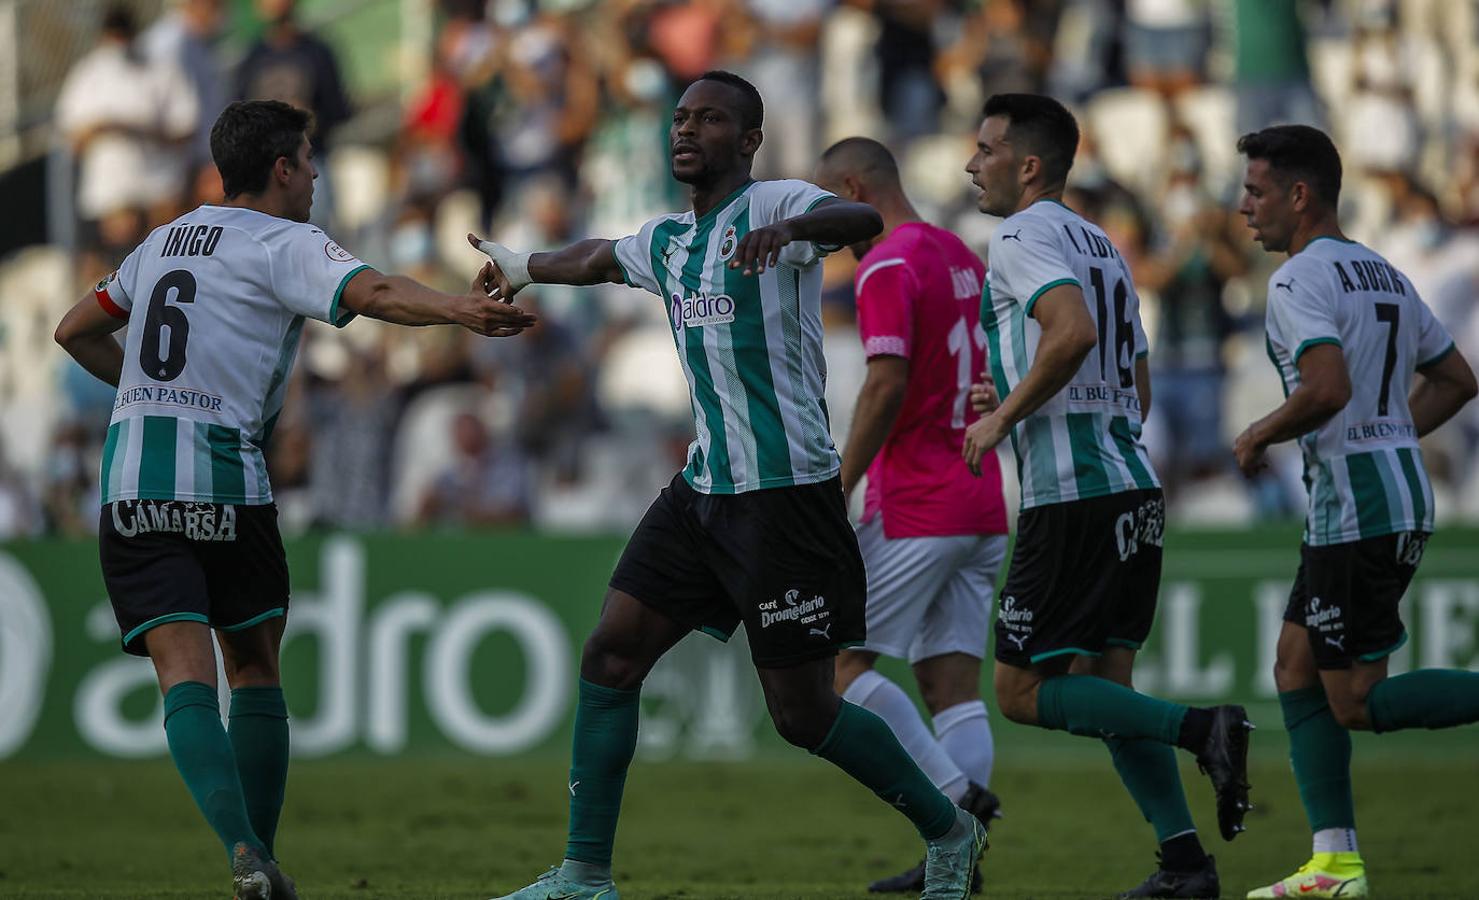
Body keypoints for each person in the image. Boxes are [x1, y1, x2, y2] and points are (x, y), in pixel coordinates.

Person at [470, 70, 986, 900]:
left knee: (803, 714)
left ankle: (950, 828)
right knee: (609, 656)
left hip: (785, 494)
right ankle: (584, 876)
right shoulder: (671, 239)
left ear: (746, 141)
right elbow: (601, 257)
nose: (686, 130)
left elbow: (859, 219)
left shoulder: (778, 202)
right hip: (703, 490)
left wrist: (794, 230)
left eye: (708, 119)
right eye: (680, 117)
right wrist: (522, 266)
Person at [52, 99, 535, 899]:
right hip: (226, 480)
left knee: (184, 677)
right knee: (254, 669)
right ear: (281, 168)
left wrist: (146, 389)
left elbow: (73, 328)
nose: (314, 175)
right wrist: (459, 308)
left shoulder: (161, 240)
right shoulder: (285, 241)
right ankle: (260, 858)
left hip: (133, 479)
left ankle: (247, 858)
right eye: (309, 161)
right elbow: (372, 291)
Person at [958, 93, 1253, 899]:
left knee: (1019, 693)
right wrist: (1023, 396)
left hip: (1072, 497)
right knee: (1109, 693)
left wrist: (1004, 418)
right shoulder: (1104, 245)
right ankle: (1184, 863)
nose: (968, 164)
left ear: (1027, 165)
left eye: (984, 150)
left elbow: (1073, 335)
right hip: (1131, 486)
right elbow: (1135, 384)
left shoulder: (1018, 233)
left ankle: (1202, 728)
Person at [1232, 125, 1479, 900]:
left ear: (1298, 195)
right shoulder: (1382, 272)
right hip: (1389, 490)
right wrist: (1393, 433)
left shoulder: (1298, 280)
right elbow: (1455, 379)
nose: (1245, 208)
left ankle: (1337, 865)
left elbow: (1327, 387)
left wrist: (1259, 431)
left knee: (1355, 701)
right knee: (1294, 667)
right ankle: (1333, 863)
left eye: (1255, 191)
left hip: (1358, 506)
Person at [813, 136, 1008, 895]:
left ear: (855, 188)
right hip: (981, 494)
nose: (823, 229)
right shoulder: (958, 254)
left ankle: (956, 808)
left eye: (828, 207)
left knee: (839, 668)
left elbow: (886, 383)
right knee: (951, 688)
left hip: (919, 499)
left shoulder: (886, 263)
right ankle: (955, 866)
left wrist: (842, 483)